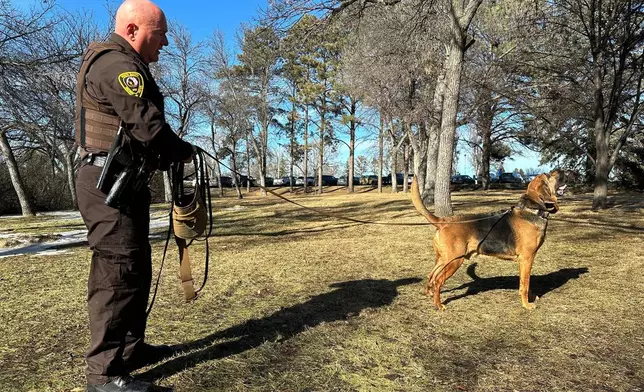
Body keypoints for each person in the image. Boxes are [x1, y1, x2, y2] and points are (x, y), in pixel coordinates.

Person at [74, 1, 192, 391]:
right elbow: (148, 126)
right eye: (160, 35)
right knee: (117, 272)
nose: (166, 43)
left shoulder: (125, 63)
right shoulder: (115, 65)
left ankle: (130, 348)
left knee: (135, 265)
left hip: (125, 180)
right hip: (106, 184)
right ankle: (104, 375)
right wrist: (182, 151)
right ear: (132, 31)